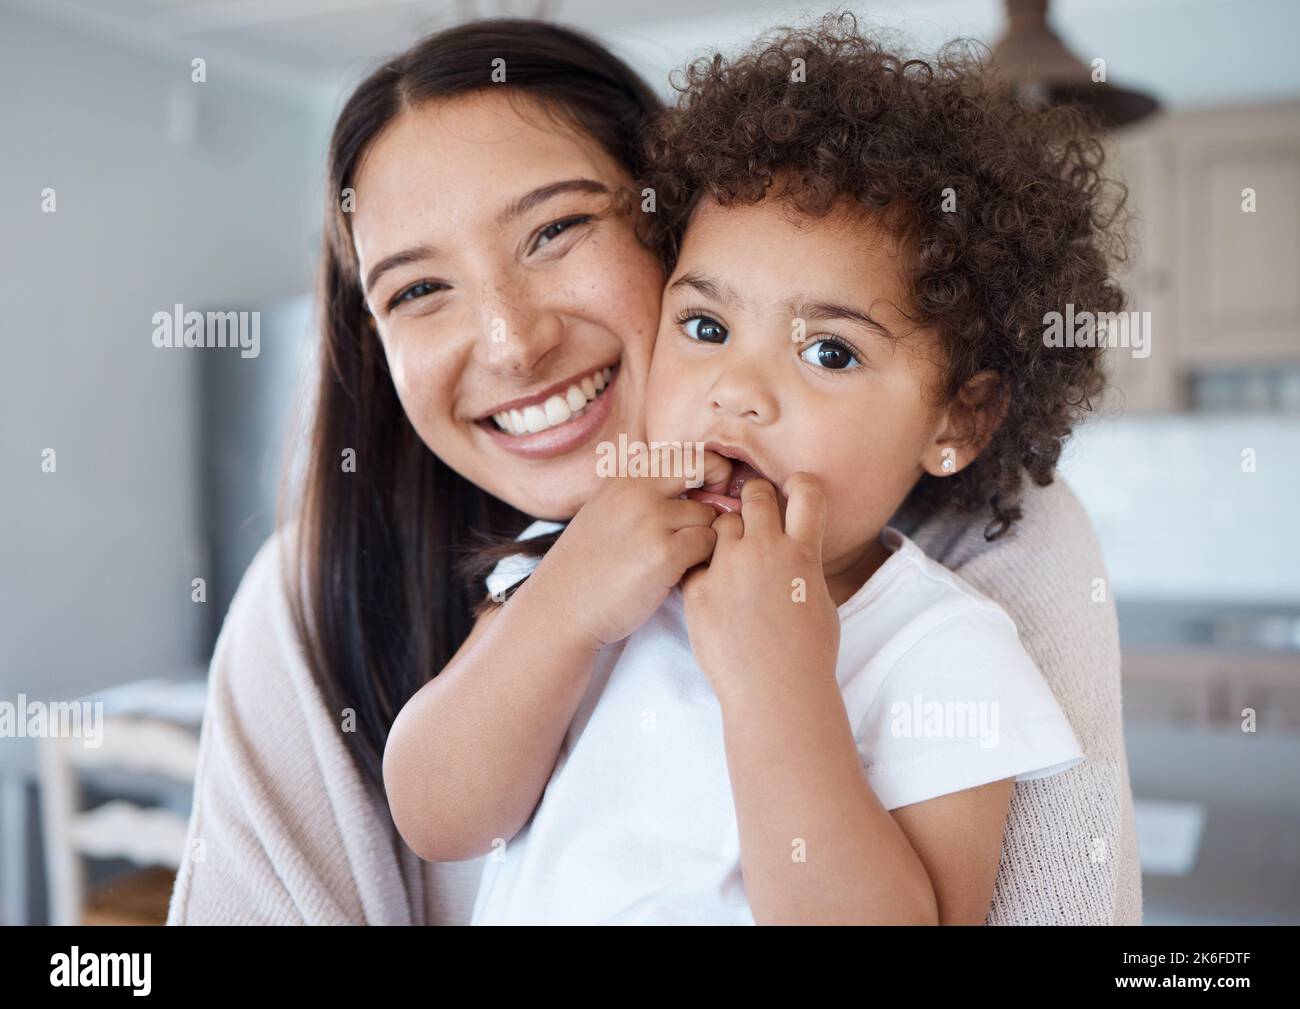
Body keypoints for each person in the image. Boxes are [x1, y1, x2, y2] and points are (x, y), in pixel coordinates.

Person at [167, 16, 1141, 925]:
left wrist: (776, 682)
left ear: (957, 420)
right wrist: (563, 605)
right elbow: (437, 812)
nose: (736, 391)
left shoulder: (945, 642)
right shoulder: (566, 560)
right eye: (707, 327)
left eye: (830, 351)